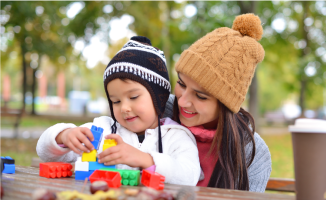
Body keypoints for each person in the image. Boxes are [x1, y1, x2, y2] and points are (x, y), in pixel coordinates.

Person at [36, 36, 200, 186]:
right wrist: (63, 135)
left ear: (160, 98)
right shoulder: (102, 130)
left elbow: (190, 175)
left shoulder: (176, 136)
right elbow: (46, 153)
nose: (124, 108)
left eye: (134, 97)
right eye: (116, 101)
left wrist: (146, 159)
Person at [163, 13, 272, 192]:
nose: (182, 102)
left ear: (226, 104)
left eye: (200, 96)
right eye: (181, 84)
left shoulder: (253, 154)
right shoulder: (158, 110)